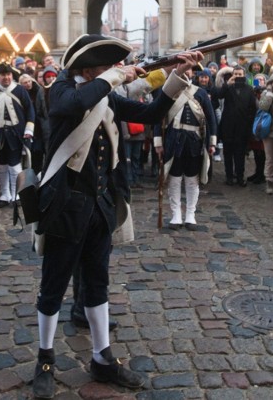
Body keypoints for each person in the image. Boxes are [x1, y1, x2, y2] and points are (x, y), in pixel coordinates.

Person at [31, 34, 202, 398]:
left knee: (97, 285)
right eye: (107, 66)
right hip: (65, 206)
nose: (114, 71)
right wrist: (117, 76)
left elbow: (151, 113)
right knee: (53, 288)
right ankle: (45, 359)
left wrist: (177, 74)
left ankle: (102, 356)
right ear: (88, 68)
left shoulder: (103, 93)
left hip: (100, 205)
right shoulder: (61, 89)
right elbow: (75, 103)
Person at [154, 71, 217, 229]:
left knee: (192, 178)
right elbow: (157, 117)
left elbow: (211, 119)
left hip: (195, 140)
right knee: (174, 178)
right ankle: (176, 215)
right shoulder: (167, 93)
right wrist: (158, 143)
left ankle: (190, 214)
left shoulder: (200, 93)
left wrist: (212, 142)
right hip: (173, 140)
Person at [0, 62, 35, 208]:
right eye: (3, 75)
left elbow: (30, 111)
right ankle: (5, 195)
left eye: (8, 75)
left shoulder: (21, 91)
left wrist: (28, 130)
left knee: (15, 166)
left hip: (16, 136)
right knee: (1, 166)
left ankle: (16, 194)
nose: (6, 78)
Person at [213, 66, 256, 186]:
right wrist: (227, 84)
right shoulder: (228, 87)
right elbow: (219, 95)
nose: (238, 76)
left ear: (244, 75)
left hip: (242, 126)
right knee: (227, 153)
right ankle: (229, 176)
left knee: (240, 154)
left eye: (240, 74)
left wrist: (249, 123)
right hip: (228, 126)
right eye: (235, 74)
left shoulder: (249, 89)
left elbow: (252, 107)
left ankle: (240, 176)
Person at [19, 73, 49, 174]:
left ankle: (38, 172)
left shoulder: (39, 91)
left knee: (39, 151)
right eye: (25, 83)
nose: (28, 84)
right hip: (28, 125)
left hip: (39, 126)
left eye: (29, 81)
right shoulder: (21, 94)